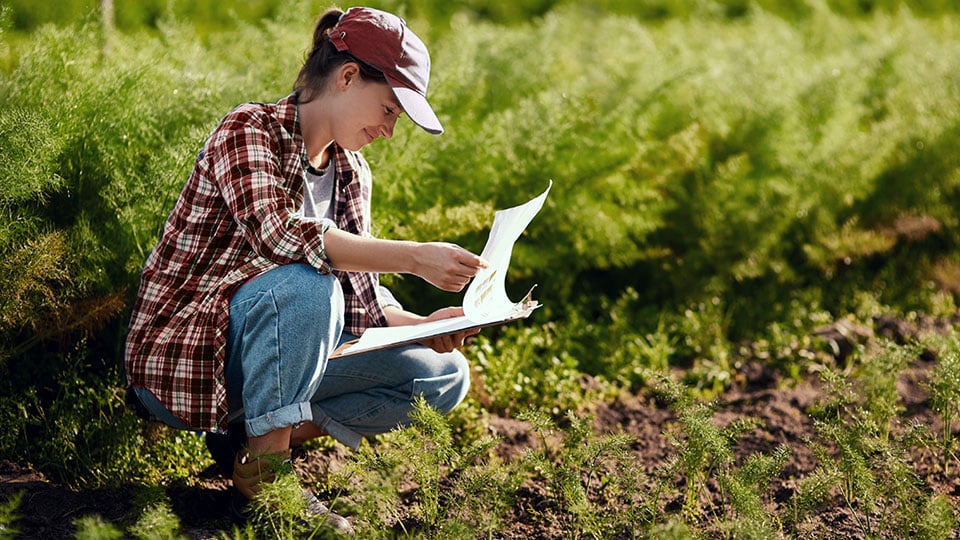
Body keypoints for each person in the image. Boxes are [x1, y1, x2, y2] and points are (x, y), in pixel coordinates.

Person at [123, 6, 485, 531]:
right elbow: (280, 237)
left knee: (443, 376)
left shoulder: (351, 173)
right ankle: (269, 480)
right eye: (388, 109)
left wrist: (430, 328)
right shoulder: (249, 130)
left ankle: (249, 445)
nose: (388, 130)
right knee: (307, 284)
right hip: (183, 362)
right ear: (346, 76)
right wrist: (414, 256)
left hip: (269, 361)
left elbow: (362, 303)